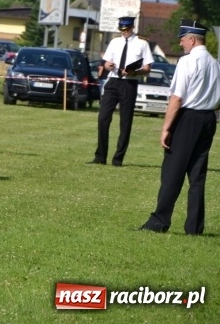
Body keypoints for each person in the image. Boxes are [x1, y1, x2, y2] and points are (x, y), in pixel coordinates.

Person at [140, 20, 220, 235]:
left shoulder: (187, 61)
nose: (181, 43)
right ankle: (194, 227)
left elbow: (177, 98)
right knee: (197, 175)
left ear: (192, 39)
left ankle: (159, 220)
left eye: (183, 39)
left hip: (188, 117)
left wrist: (166, 127)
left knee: (172, 172)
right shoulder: (215, 63)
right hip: (208, 118)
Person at [91, 16, 153, 166]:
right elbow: (105, 63)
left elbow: (147, 68)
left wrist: (134, 72)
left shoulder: (142, 43)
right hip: (113, 81)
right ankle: (100, 156)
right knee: (103, 118)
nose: (123, 32)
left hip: (129, 83)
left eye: (126, 30)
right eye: (121, 30)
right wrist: (108, 65)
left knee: (125, 122)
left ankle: (118, 159)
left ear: (132, 28)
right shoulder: (115, 41)